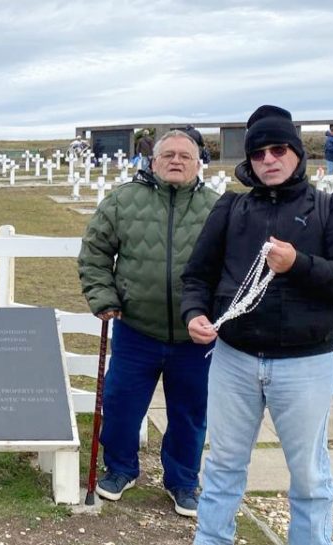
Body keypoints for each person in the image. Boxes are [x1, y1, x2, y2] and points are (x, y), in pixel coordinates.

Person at [181, 105, 333, 545]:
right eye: (259, 153)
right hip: (235, 359)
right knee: (223, 465)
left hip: (305, 364)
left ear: (297, 153)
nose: (269, 159)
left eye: (279, 149)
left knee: (307, 474)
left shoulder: (332, 206)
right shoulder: (231, 208)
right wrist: (194, 314)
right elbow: (197, 276)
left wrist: (298, 264)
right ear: (248, 161)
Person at [79, 130, 219, 517]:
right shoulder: (124, 201)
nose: (176, 161)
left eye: (185, 156)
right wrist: (104, 298)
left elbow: (232, 266)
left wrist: (217, 314)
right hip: (136, 327)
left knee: (190, 412)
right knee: (122, 403)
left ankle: (183, 481)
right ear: (153, 161)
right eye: (168, 155)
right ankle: (120, 468)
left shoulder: (216, 208)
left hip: (194, 336)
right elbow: (94, 252)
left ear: (198, 163)